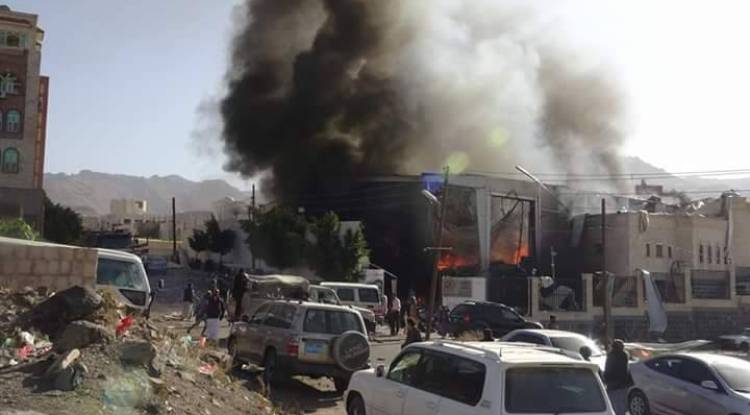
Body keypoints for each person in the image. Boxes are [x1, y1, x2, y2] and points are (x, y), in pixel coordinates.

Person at [604, 339, 631, 415]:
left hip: (613, 383)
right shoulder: (624, 355)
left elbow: (608, 368)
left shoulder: (612, 355)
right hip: (623, 383)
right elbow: (626, 369)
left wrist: (606, 379)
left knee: (613, 403)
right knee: (621, 404)